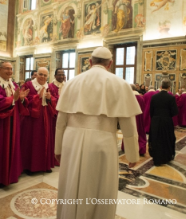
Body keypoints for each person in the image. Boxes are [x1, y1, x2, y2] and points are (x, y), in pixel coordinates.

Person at [55, 47, 140, 219]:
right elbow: (128, 125)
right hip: (102, 141)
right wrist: (132, 155)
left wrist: (58, 149)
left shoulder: (71, 82)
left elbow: (61, 121)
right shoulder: (120, 84)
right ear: (110, 64)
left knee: (70, 183)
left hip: (71, 139)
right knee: (100, 188)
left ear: (90, 62)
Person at [0, 62, 29, 186]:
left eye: (11, 69)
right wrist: (13, 99)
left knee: (12, 144)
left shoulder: (13, 84)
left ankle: (11, 174)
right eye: (7, 69)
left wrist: (21, 99)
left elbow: (18, 101)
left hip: (13, 120)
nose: (10, 71)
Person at [21, 67, 57, 173]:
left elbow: (54, 99)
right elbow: (23, 99)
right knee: (32, 140)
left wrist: (50, 98)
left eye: (45, 75)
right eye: (41, 74)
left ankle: (45, 165)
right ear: (36, 75)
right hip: (32, 118)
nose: (43, 77)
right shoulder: (28, 85)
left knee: (46, 139)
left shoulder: (48, 86)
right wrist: (37, 97)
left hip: (46, 115)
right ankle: (29, 166)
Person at [149, 79, 178, 166]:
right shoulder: (171, 97)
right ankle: (166, 156)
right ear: (169, 87)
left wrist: (155, 118)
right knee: (166, 138)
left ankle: (156, 157)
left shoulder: (154, 97)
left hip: (155, 120)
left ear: (161, 87)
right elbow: (175, 112)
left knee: (156, 138)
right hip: (166, 121)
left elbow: (151, 111)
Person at [122, 84, 146, 155]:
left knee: (128, 132)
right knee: (139, 132)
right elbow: (143, 109)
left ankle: (126, 147)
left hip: (129, 117)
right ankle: (140, 148)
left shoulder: (127, 97)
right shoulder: (141, 98)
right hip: (139, 118)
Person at [49, 68, 65, 165]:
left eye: (63, 74)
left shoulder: (67, 85)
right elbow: (52, 99)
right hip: (54, 115)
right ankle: (54, 158)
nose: (61, 76)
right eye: (59, 74)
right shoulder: (51, 86)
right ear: (55, 76)